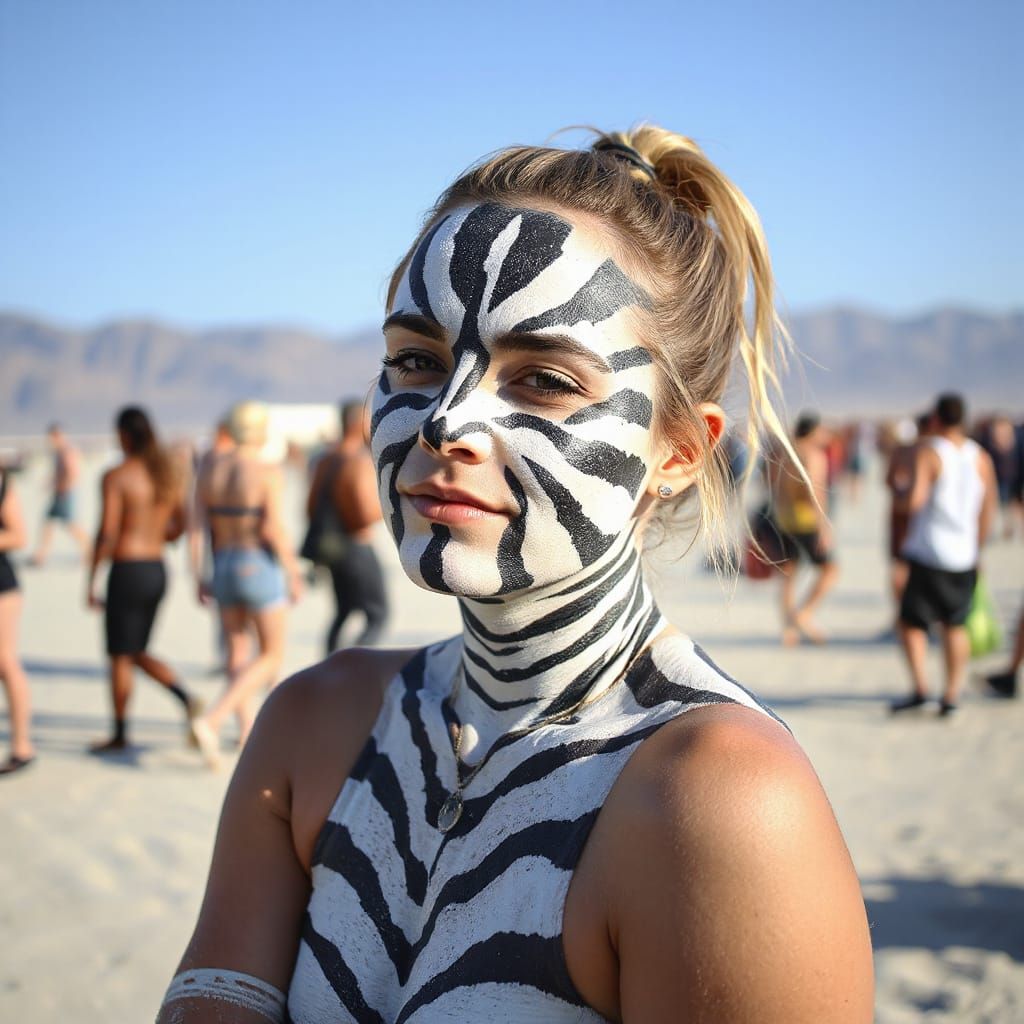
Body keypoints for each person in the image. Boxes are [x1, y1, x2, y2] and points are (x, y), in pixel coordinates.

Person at [159, 126, 873, 1023]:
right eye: (416, 359)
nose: (444, 420)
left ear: (680, 452)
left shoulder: (715, 802)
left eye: (541, 379)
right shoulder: (314, 727)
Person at [188, 400, 302, 768]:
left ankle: (246, 731)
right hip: (257, 563)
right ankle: (213, 719)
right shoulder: (266, 470)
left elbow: (195, 530)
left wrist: (198, 575)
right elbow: (271, 527)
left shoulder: (209, 469)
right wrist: (293, 570)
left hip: (222, 563)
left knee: (237, 651)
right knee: (270, 655)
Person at [85, 407, 200, 751]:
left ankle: (120, 733)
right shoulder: (167, 473)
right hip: (156, 570)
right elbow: (181, 524)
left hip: (127, 569)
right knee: (136, 650)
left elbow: (106, 533)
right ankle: (185, 697)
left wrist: (91, 580)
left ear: (125, 435)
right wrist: (160, 535)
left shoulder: (117, 476)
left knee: (121, 654)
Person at [892, 393, 997, 716]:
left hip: (930, 551)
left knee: (911, 622)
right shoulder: (980, 456)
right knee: (955, 624)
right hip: (963, 554)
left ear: (936, 419)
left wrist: (899, 491)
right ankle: (951, 694)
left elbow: (915, 501)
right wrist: (976, 545)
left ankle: (921, 688)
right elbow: (988, 507)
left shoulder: (930, 451)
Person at [305, 399, 389, 655]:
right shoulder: (358, 460)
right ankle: (352, 665)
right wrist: (386, 509)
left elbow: (310, 506)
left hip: (331, 547)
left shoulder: (325, 459)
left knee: (342, 611)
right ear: (356, 423)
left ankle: (327, 666)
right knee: (377, 614)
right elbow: (363, 513)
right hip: (356, 544)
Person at [768, 411, 839, 645]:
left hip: (783, 518)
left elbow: (773, 486)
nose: (826, 435)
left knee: (788, 573)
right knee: (830, 570)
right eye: (823, 431)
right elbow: (814, 491)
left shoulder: (784, 452)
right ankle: (803, 614)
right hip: (805, 519)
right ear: (813, 431)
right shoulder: (813, 455)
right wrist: (824, 526)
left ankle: (789, 631)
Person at [882, 412, 931, 634]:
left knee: (902, 567)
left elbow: (889, 481)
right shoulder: (929, 452)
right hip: (913, 517)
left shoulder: (906, 451)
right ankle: (907, 616)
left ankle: (904, 616)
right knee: (907, 568)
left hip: (904, 515)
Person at [0, 466, 35, 774]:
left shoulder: (2, 482)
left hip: (2, 587)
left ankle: (22, 745)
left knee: (5, 661)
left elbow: (18, 535)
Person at [30, 422, 90, 565]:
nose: (50, 440)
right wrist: (50, 482)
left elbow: (72, 472)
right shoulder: (59, 451)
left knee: (71, 525)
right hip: (60, 493)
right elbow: (60, 473)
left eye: (51, 437)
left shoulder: (66, 451)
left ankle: (90, 552)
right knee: (48, 523)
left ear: (57, 436)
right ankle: (41, 555)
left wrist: (63, 488)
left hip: (65, 494)